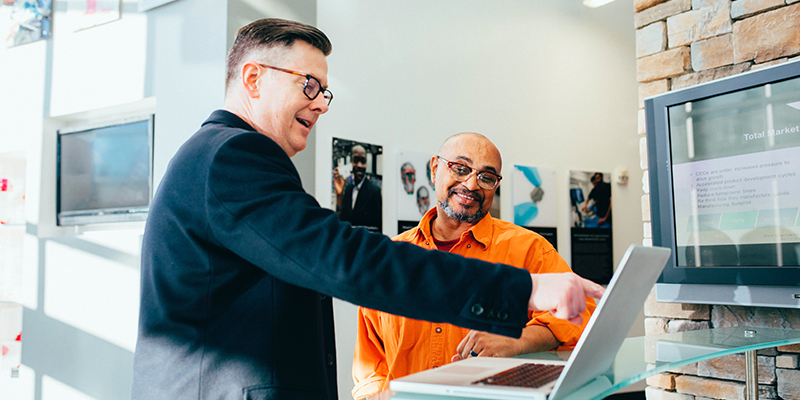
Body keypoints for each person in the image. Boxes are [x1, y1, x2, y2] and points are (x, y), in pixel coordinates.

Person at [131, 18, 604, 400]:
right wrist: (524, 289)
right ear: (253, 77)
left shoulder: (220, 157)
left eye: (325, 91)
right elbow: (346, 259)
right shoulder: (232, 156)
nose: (321, 104)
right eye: (310, 85)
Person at [352, 133, 597, 399]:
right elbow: (370, 366)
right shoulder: (391, 258)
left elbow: (583, 314)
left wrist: (516, 340)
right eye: (460, 168)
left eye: (486, 177)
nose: (471, 184)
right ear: (435, 169)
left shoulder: (529, 249)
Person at [333, 144, 382, 232]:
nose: (359, 165)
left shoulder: (374, 192)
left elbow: (377, 228)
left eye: (363, 161)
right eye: (356, 160)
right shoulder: (348, 189)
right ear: (351, 162)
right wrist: (339, 195)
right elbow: (342, 221)